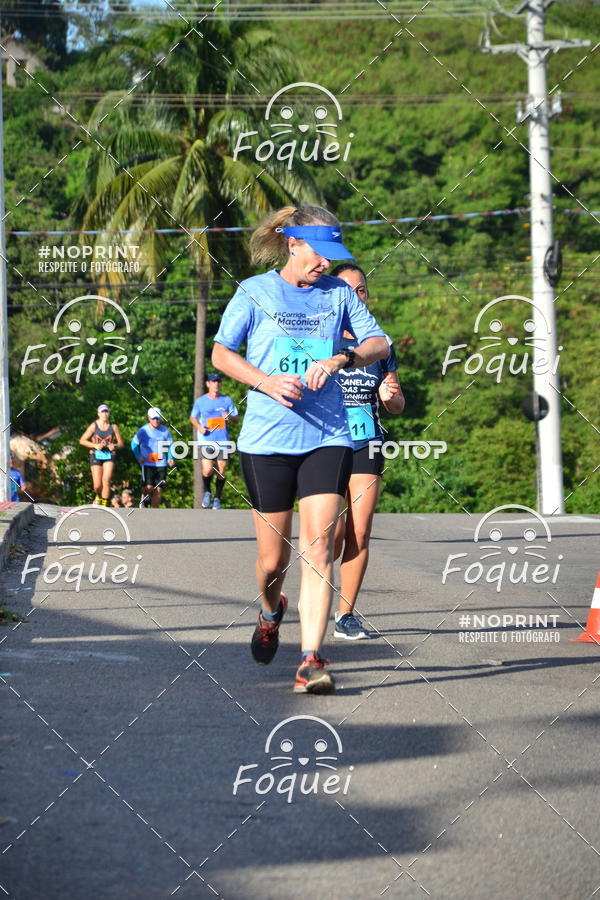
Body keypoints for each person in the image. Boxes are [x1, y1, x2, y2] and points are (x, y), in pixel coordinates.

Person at [212, 204, 389, 694]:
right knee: (273, 562)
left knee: (318, 548)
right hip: (267, 440)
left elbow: (379, 340)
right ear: (293, 244)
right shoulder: (254, 292)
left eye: (333, 255)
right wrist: (264, 381)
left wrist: (341, 357)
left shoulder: (338, 295)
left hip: (328, 435)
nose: (325, 264)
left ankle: (311, 658)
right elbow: (221, 353)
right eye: (318, 253)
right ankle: (271, 610)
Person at [330, 263, 405, 640]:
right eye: (347, 289)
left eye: (361, 290)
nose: (355, 296)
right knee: (333, 531)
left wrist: (390, 397)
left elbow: (397, 403)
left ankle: (346, 615)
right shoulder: (319, 338)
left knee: (360, 529)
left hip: (367, 441)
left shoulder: (380, 345)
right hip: (325, 442)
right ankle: (315, 595)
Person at [189, 373, 239, 509]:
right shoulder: (201, 401)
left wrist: (229, 417)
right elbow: (193, 418)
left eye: (218, 381)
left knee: (221, 471)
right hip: (206, 440)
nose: (216, 384)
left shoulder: (227, 400)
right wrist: (199, 427)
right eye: (213, 381)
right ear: (208, 384)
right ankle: (207, 492)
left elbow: (236, 419)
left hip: (222, 441)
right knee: (207, 470)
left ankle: (217, 498)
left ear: (220, 384)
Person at [79, 404, 124, 506]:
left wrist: (115, 446)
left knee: (106, 480)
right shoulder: (94, 426)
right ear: (98, 414)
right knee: (97, 485)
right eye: (102, 412)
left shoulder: (114, 427)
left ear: (109, 413)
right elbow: (82, 440)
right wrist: (95, 445)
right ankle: (98, 495)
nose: (104, 414)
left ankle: (105, 504)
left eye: (106, 411)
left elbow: (121, 444)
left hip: (109, 455)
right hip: (96, 455)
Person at [131, 407, 175, 508]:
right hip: (147, 464)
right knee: (149, 487)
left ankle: (153, 513)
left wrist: (171, 457)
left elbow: (171, 445)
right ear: (149, 418)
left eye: (158, 418)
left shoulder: (165, 431)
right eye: (153, 418)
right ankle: (145, 497)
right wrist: (138, 456)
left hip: (161, 463)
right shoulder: (143, 431)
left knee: (158, 489)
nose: (156, 421)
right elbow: (134, 444)